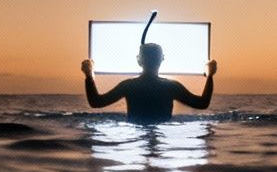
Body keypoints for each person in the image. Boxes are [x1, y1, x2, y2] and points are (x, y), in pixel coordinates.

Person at [82, 43, 216, 122]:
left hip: (135, 137)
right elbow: (202, 103)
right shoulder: (171, 87)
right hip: (162, 135)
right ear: (162, 59)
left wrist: (89, 75)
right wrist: (210, 75)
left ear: (138, 60)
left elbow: (96, 102)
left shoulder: (129, 85)